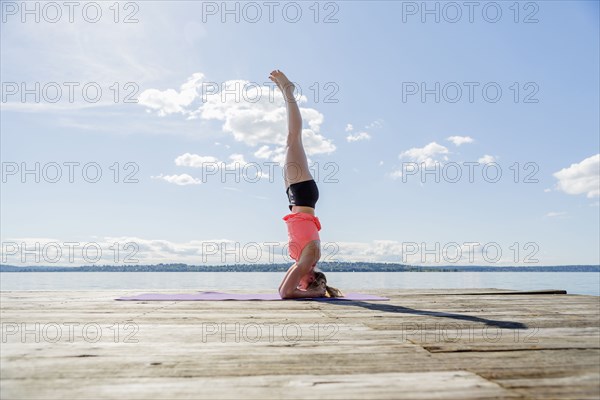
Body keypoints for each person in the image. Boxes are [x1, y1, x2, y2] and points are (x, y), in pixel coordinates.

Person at [269, 69, 343, 299]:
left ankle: (287, 92)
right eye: (303, 285)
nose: (299, 285)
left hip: (297, 197)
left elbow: (283, 290)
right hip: (303, 195)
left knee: (290, 141)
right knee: (293, 137)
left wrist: (314, 292)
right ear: (310, 279)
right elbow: (286, 293)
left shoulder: (305, 265)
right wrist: (315, 294)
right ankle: (289, 91)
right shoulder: (308, 262)